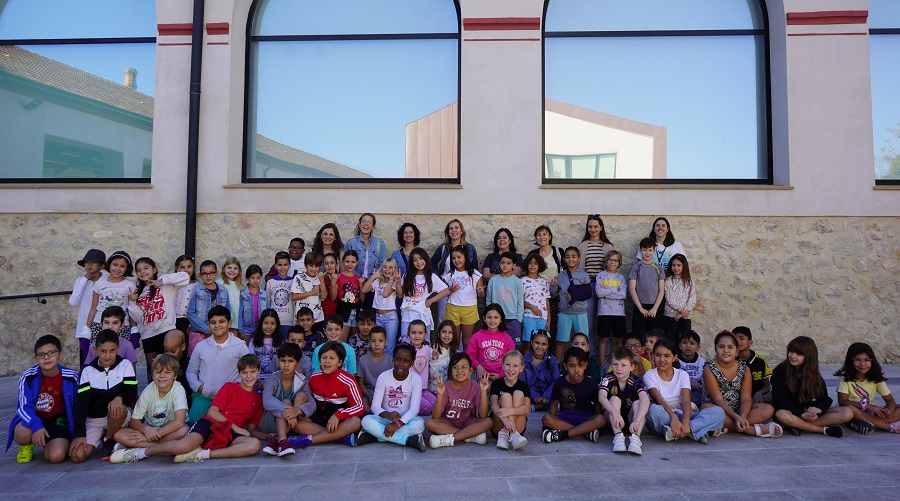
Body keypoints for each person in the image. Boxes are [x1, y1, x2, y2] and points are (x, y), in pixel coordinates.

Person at [110, 354, 264, 464]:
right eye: (244, 372)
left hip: (230, 433)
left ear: (259, 372)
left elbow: (251, 429)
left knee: (254, 444)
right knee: (182, 446)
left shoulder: (257, 399)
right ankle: (139, 453)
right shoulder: (229, 387)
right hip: (211, 425)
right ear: (239, 373)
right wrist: (236, 427)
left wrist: (269, 437)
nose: (249, 376)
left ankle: (201, 454)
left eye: (253, 372)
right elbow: (212, 412)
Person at [7, 335, 78, 464]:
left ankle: (47, 442)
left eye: (51, 353)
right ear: (36, 358)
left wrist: (76, 433)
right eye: (41, 354)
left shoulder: (71, 376)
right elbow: (23, 407)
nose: (46, 357)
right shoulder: (27, 376)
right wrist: (36, 425)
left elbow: (77, 406)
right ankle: (27, 444)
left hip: (57, 419)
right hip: (34, 418)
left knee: (57, 457)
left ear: (60, 354)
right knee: (23, 434)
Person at [71, 329, 138, 462]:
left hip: (117, 415)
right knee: (77, 456)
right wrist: (79, 434)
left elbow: (131, 392)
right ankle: (104, 436)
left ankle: (108, 439)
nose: (108, 355)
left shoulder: (125, 365)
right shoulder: (88, 371)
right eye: (103, 351)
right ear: (95, 349)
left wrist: (119, 398)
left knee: (117, 408)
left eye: (112, 350)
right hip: (94, 419)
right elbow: (82, 403)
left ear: (118, 348)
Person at [643, 338, 725, 444]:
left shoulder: (682, 374)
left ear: (674, 358)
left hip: (684, 413)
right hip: (665, 414)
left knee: (719, 412)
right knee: (653, 410)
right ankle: (696, 431)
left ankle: (685, 430)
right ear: (653, 356)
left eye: (667, 356)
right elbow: (658, 399)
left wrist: (686, 423)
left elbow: (686, 400)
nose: (662, 359)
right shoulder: (649, 375)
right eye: (658, 355)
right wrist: (673, 418)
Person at [701, 330, 780, 437]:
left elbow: (746, 398)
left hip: (739, 410)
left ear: (737, 351)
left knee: (768, 409)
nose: (725, 350)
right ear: (715, 349)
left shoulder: (744, 369)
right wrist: (736, 417)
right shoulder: (709, 368)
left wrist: (742, 416)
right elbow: (717, 399)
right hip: (718, 409)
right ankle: (751, 430)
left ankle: (727, 426)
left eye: (730, 347)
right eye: (721, 347)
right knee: (706, 409)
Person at [286, 341, 364, 449]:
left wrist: (338, 415)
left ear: (340, 362)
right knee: (296, 424)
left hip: (339, 421)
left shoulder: (348, 381)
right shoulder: (314, 378)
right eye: (324, 357)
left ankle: (309, 440)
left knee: (355, 422)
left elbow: (359, 406)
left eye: (332, 358)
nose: (327, 361)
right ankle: (339, 437)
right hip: (318, 419)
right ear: (320, 360)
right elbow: (307, 399)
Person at [771, 336, 852, 437]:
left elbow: (825, 399)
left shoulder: (813, 374)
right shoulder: (781, 371)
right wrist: (801, 414)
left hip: (808, 414)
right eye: (791, 351)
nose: (792, 356)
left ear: (809, 356)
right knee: (781, 415)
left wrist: (819, 409)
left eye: (799, 354)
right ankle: (823, 430)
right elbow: (780, 401)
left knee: (847, 412)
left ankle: (799, 425)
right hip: (791, 413)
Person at [186, 306, 252, 424]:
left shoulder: (240, 346)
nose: (217, 325)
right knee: (193, 425)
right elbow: (191, 371)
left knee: (225, 429)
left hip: (229, 400)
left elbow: (248, 372)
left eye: (221, 321)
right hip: (204, 397)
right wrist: (199, 388)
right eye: (213, 322)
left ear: (229, 323)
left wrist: (233, 390)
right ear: (209, 324)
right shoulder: (201, 346)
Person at [129, 257, 190, 381]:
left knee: (171, 365)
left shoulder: (166, 283)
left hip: (166, 331)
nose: (142, 272)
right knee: (152, 368)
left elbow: (185, 277)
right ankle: (152, 395)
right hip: (148, 334)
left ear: (154, 269)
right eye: (139, 270)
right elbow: (141, 318)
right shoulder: (140, 292)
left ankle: (175, 393)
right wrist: (131, 303)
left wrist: (161, 281)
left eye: (146, 268)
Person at [358, 343, 426, 451]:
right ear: (393, 359)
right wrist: (388, 415)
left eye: (406, 361)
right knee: (366, 421)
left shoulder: (416, 379)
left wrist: (398, 424)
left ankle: (377, 437)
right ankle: (408, 440)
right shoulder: (384, 377)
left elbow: (414, 409)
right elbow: (375, 406)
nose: (401, 364)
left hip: (405, 421)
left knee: (420, 424)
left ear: (412, 363)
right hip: (385, 419)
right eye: (398, 359)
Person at [112, 354, 189, 448]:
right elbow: (134, 420)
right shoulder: (149, 390)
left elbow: (179, 422)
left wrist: (149, 437)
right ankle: (166, 447)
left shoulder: (178, 389)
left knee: (183, 432)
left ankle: (144, 446)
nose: (162, 376)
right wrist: (145, 429)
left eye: (167, 372)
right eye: (158, 372)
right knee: (119, 434)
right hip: (150, 428)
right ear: (152, 375)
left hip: (171, 429)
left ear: (175, 375)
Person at [425, 353, 493, 448]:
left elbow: (483, 415)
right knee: (429, 423)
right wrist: (440, 395)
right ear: (450, 371)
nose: (459, 371)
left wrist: (483, 392)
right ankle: (469, 436)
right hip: (448, 423)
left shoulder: (475, 386)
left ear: (470, 371)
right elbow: (436, 416)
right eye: (455, 367)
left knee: (488, 421)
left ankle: (449, 439)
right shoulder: (446, 386)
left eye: (464, 367)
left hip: (468, 423)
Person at [540, 346, 606, 443]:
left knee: (601, 419)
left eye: (580, 366)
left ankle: (564, 434)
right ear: (565, 366)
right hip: (565, 416)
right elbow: (554, 404)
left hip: (585, 416)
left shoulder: (591, 383)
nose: (576, 370)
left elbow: (597, 404)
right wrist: (552, 421)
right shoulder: (559, 382)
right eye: (572, 366)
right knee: (546, 419)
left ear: (585, 365)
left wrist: (596, 420)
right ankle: (585, 432)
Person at [260, 343, 314, 456]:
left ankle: (277, 440)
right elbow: (267, 401)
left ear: (298, 363)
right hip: (272, 420)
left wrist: (297, 411)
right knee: (286, 402)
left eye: (290, 361)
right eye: (283, 360)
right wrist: (289, 410)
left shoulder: (303, 380)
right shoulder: (272, 379)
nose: (286, 365)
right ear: (278, 361)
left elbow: (312, 404)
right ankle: (283, 440)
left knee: (302, 396)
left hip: (293, 420)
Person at [834, 342, 899, 433]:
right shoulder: (845, 377)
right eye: (857, 360)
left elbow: (890, 400)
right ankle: (889, 427)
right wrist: (866, 405)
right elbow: (843, 401)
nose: (862, 364)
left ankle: (872, 422)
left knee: (897, 407)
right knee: (850, 409)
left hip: (869, 412)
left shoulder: (876, 377)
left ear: (872, 361)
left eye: (866, 360)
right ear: (850, 361)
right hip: (852, 411)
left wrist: (888, 412)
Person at [598, 348, 650, 455]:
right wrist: (616, 414)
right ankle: (618, 438)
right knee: (614, 399)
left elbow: (645, 399)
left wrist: (637, 420)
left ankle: (635, 439)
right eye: (615, 364)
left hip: (631, 421)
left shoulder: (635, 380)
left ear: (632, 367)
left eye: (623, 365)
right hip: (613, 419)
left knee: (638, 403)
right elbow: (601, 397)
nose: (618, 368)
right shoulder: (608, 378)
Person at [578, 215, 615, 357]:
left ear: (601, 228)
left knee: (604, 323)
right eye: (590, 226)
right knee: (588, 323)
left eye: (596, 226)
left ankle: (604, 356)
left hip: (605, 287)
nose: (593, 229)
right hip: (587, 286)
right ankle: (589, 354)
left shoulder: (607, 246)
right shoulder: (582, 246)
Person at [431, 219, 479, 324]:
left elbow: (474, 269)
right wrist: (439, 279)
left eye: (456, 227)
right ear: (448, 232)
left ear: (462, 231)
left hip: (464, 288)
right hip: (446, 287)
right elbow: (432, 262)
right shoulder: (444, 248)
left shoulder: (470, 248)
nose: (454, 230)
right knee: (443, 319)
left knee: (463, 321)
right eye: (451, 228)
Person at [398, 247, 451, 341]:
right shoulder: (407, 275)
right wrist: (398, 283)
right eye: (415, 260)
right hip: (407, 314)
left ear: (426, 259)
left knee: (423, 343)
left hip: (422, 314)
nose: (419, 262)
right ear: (411, 262)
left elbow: (446, 291)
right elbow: (400, 295)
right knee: (405, 341)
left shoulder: (431, 276)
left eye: (421, 258)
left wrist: (431, 300)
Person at [84, 251, 135, 345]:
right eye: (115, 265)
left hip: (121, 326)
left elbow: (131, 309)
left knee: (120, 355)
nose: (117, 269)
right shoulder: (99, 283)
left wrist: (134, 329)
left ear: (126, 268)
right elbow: (93, 307)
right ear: (109, 265)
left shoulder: (130, 286)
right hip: (99, 324)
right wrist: (86, 328)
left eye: (122, 266)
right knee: (99, 354)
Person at [443, 245, 484, 350]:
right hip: (453, 308)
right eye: (453, 258)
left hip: (469, 309)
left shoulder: (474, 274)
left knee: (467, 341)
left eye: (459, 257)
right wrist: (450, 290)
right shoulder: (449, 275)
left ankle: (467, 363)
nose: (456, 260)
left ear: (465, 256)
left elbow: (482, 295)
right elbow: (443, 293)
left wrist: (481, 292)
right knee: (454, 340)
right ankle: (453, 363)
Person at [70, 248, 105, 369]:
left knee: (103, 361)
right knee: (85, 363)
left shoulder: (106, 281)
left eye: (93, 262)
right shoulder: (80, 281)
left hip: (102, 326)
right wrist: (85, 279)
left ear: (101, 266)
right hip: (84, 329)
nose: (89, 265)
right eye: (87, 262)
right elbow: (73, 302)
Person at [187, 260, 231, 355]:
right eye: (205, 274)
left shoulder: (223, 290)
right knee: (197, 358)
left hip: (217, 332)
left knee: (215, 358)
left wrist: (222, 328)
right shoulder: (197, 290)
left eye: (211, 273)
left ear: (216, 273)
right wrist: (206, 329)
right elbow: (190, 313)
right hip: (198, 332)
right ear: (200, 275)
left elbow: (227, 311)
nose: (208, 276)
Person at [555, 246, 591, 362]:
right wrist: (553, 286)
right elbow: (554, 293)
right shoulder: (561, 276)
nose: (571, 259)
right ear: (564, 259)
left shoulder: (584, 275)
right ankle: (558, 366)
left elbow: (587, 293)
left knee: (583, 341)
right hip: (564, 312)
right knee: (561, 340)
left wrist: (574, 298)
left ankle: (584, 364)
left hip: (580, 312)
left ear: (579, 258)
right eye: (568, 257)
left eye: (574, 257)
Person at [490, 350, 531, 450]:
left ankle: (512, 434)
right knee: (506, 396)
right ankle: (507, 433)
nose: (511, 369)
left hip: (518, 427)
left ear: (521, 368)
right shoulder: (496, 384)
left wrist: (509, 411)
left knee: (518, 393)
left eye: (515, 366)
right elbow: (493, 405)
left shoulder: (524, 386)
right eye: (508, 364)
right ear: (502, 365)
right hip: (498, 425)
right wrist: (504, 419)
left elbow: (526, 408)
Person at [529, 225, 563, 342]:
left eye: (544, 234)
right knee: (539, 325)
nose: (542, 237)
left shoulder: (558, 252)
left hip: (555, 292)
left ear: (550, 236)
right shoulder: (533, 253)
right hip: (538, 295)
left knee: (552, 326)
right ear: (535, 238)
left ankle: (550, 356)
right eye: (539, 234)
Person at [344, 213, 387, 305]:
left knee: (369, 313)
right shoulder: (351, 243)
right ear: (359, 225)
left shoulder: (379, 244)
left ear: (373, 226)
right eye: (363, 221)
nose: (366, 224)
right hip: (353, 283)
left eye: (369, 222)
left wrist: (372, 281)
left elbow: (382, 265)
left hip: (372, 284)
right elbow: (345, 263)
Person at [466, 304, 516, 381]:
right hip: (484, 375)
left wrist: (501, 374)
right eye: (489, 317)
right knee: (484, 387)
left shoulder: (507, 338)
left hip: (503, 376)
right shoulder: (477, 336)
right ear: (484, 318)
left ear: (501, 319)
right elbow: (469, 356)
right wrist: (478, 366)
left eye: (496, 317)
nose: (492, 321)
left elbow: (512, 358)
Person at [628, 238, 666, 341]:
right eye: (644, 250)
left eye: (650, 250)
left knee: (655, 337)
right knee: (638, 336)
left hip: (655, 308)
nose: (647, 253)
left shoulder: (658, 268)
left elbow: (661, 290)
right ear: (640, 250)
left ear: (654, 251)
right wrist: (640, 308)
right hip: (640, 307)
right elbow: (632, 288)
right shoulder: (636, 267)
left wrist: (655, 308)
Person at [486, 251, 525, 346]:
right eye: (502, 263)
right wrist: (490, 316)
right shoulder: (493, 280)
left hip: (513, 319)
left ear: (513, 265)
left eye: (508, 263)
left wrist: (518, 318)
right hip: (496, 319)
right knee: (497, 345)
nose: (505, 265)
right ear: (499, 264)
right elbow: (488, 300)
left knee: (513, 346)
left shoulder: (517, 281)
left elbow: (520, 300)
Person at [362, 258, 400, 355]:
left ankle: (389, 368)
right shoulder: (378, 282)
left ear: (394, 269)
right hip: (378, 317)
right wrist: (373, 277)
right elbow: (364, 290)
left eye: (390, 267)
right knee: (377, 344)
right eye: (385, 267)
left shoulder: (395, 283)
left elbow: (385, 294)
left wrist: (391, 280)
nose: (387, 270)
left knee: (389, 346)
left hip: (390, 317)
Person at [595, 250, 626, 361]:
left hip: (619, 312)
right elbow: (599, 293)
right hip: (604, 311)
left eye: (615, 260)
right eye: (610, 260)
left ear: (619, 263)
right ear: (606, 261)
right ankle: (602, 365)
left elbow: (623, 294)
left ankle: (621, 362)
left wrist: (607, 291)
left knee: (619, 339)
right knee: (603, 338)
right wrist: (614, 291)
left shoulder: (621, 278)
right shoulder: (601, 275)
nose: (612, 263)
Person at [355, 326, 393, 413]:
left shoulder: (390, 361)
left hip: (385, 395)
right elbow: (361, 384)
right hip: (367, 394)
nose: (377, 344)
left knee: (388, 409)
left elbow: (391, 384)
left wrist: (380, 397)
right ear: (369, 342)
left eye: (380, 341)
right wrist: (369, 396)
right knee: (366, 410)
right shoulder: (363, 360)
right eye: (373, 341)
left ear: (386, 342)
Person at [733, 326, 772, 404]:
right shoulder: (731, 360)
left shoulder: (760, 361)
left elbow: (767, 386)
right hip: (738, 399)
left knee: (773, 397)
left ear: (750, 342)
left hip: (756, 398)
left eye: (741, 338)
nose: (738, 341)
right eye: (735, 339)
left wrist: (759, 393)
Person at [330, 250, 363, 342]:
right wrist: (333, 282)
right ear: (343, 262)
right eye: (347, 261)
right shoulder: (339, 277)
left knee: (355, 342)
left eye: (353, 262)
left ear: (357, 262)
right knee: (341, 342)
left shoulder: (358, 278)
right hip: (344, 313)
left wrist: (361, 286)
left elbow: (362, 299)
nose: (350, 264)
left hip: (356, 314)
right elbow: (333, 297)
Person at [662, 254, 695, 342]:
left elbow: (692, 298)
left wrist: (684, 311)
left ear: (684, 266)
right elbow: (669, 297)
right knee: (671, 341)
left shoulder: (690, 282)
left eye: (679, 265)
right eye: (673, 265)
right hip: (670, 315)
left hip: (685, 316)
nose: (676, 268)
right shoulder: (669, 281)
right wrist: (680, 309)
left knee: (685, 340)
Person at [523, 330, 558, 411]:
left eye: (544, 344)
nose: (540, 347)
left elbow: (556, 380)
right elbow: (522, 382)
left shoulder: (552, 360)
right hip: (530, 395)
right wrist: (534, 396)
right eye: (537, 343)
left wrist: (547, 396)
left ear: (547, 346)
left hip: (548, 395)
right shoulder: (524, 360)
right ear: (531, 343)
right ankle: (543, 406)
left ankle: (537, 407)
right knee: (518, 393)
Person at [405, 320, 435, 415]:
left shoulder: (427, 349)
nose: (417, 336)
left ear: (425, 334)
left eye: (420, 333)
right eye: (413, 333)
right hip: (410, 390)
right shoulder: (405, 350)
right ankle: (407, 405)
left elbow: (434, 358)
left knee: (436, 404)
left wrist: (435, 356)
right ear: (408, 334)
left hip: (423, 389)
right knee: (426, 408)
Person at [521, 253, 551, 350]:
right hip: (528, 317)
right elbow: (519, 301)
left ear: (540, 266)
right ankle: (526, 364)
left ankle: (539, 364)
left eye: (535, 263)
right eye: (530, 263)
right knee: (528, 344)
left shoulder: (544, 282)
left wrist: (549, 320)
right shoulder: (522, 281)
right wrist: (532, 307)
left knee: (541, 345)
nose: (533, 265)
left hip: (542, 319)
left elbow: (547, 301)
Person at [265, 251, 295, 336]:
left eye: (285, 265)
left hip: (289, 321)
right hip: (274, 322)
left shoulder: (293, 282)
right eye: (280, 265)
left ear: (289, 265)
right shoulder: (270, 282)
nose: (283, 268)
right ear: (275, 266)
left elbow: (295, 303)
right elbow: (267, 302)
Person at [248, 309, 283, 380]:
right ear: (261, 324)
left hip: (275, 378)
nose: (269, 327)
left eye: (272, 323)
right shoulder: (254, 341)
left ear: (276, 325)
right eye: (266, 323)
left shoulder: (280, 342)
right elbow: (250, 360)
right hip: (256, 378)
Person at [163, 329, 193, 408]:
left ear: (183, 347)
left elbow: (189, 389)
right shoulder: (162, 363)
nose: (169, 355)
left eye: (173, 351)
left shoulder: (189, 364)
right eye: (166, 351)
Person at [239, 264, 269, 339]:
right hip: (246, 327)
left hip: (260, 326)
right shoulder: (242, 294)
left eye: (258, 278)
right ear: (247, 278)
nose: (255, 281)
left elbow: (268, 311)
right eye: (252, 278)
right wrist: (240, 330)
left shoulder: (264, 294)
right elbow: (239, 313)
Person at [677, 331, 706, 407]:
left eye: (692, 343)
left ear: (698, 347)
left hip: (698, 390)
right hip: (681, 391)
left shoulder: (703, 362)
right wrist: (689, 382)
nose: (688, 346)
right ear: (680, 345)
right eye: (685, 343)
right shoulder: (675, 361)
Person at [429, 320, 458, 393]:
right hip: (435, 390)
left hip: (451, 391)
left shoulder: (457, 353)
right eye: (444, 332)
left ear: (454, 335)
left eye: (450, 332)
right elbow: (433, 376)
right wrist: (434, 360)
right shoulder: (431, 351)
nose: (447, 335)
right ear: (439, 334)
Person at [173, 255, 198, 338]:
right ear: (177, 269)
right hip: (173, 321)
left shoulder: (198, 286)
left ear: (193, 267)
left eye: (189, 266)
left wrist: (192, 324)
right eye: (182, 267)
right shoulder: (172, 286)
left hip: (190, 321)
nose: (186, 270)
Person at [216, 257, 243, 333]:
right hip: (222, 319)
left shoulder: (238, 285)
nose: (232, 271)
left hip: (234, 321)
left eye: (235, 268)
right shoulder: (219, 283)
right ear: (224, 269)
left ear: (239, 271)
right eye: (229, 268)